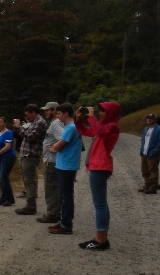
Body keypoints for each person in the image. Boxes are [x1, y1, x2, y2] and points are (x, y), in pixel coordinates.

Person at [74, 102, 121, 251]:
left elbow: (100, 132)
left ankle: (101, 239)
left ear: (111, 113)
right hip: (97, 166)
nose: (100, 113)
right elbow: (85, 131)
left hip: (101, 166)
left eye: (103, 112)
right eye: (99, 111)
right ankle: (100, 238)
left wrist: (92, 117)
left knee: (100, 204)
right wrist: (78, 120)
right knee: (99, 203)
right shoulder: (102, 126)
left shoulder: (112, 127)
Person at [47, 103, 81, 235]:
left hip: (66, 165)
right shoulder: (72, 126)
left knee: (66, 196)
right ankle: (63, 221)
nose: (57, 116)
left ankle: (66, 224)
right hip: (66, 164)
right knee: (64, 194)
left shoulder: (70, 128)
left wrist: (53, 148)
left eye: (59, 113)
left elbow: (60, 144)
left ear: (66, 113)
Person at [12, 104, 47, 215]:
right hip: (25, 155)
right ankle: (29, 204)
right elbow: (24, 134)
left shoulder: (40, 122)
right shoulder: (33, 122)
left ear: (33, 112)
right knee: (27, 181)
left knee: (30, 181)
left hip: (31, 155)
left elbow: (31, 137)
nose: (27, 116)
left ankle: (31, 206)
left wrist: (19, 127)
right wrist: (21, 127)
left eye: (28, 114)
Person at [37, 101, 64, 224]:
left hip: (51, 161)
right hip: (52, 160)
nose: (45, 112)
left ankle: (53, 214)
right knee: (53, 187)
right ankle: (54, 212)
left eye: (47, 110)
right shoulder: (56, 123)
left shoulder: (55, 124)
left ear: (54, 110)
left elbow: (64, 138)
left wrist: (54, 148)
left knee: (51, 188)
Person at [139, 113, 160, 194]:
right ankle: (147, 186)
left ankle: (153, 188)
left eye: (151, 118)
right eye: (148, 118)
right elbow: (143, 141)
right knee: (144, 170)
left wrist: (155, 151)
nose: (148, 120)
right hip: (144, 153)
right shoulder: (146, 129)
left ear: (155, 120)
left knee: (153, 171)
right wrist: (141, 150)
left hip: (153, 154)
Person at [0, 117, 17, 206]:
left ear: (5, 123)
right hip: (1, 158)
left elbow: (7, 147)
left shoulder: (8, 133)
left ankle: (9, 198)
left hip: (8, 157)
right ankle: (3, 197)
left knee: (4, 177)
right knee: (1, 178)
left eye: (0, 122)